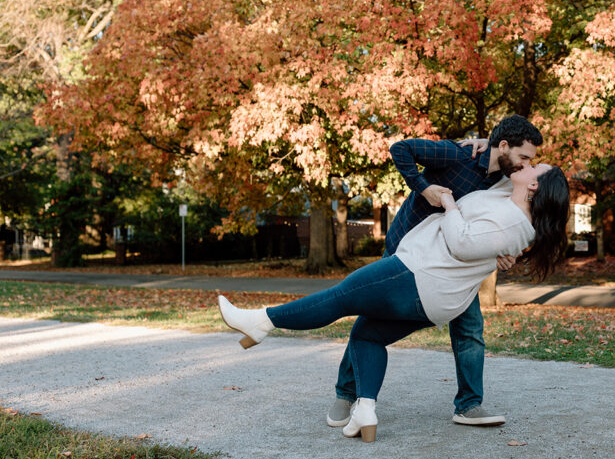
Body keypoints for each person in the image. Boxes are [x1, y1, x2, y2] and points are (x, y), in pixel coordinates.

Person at [218, 161, 569, 442]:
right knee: (367, 336)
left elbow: (461, 242)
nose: (528, 164)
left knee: (340, 297)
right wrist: (481, 146)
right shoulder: (509, 200)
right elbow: (500, 167)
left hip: (417, 275)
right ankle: (365, 411)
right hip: (434, 296)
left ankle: (261, 321)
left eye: (535, 167)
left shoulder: (512, 223)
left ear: (535, 186)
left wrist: (448, 205)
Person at [328, 115, 544, 431]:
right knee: (369, 320)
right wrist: (424, 187)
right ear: (503, 146)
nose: (526, 164)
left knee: (470, 328)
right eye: (523, 156)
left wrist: (502, 252)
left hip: (452, 267)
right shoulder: (458, 154)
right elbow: (400, 149)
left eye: (530, 160)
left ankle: (469, 405)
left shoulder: (507, 179)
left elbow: (495, 221)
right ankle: (346, 393)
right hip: (406, 252)